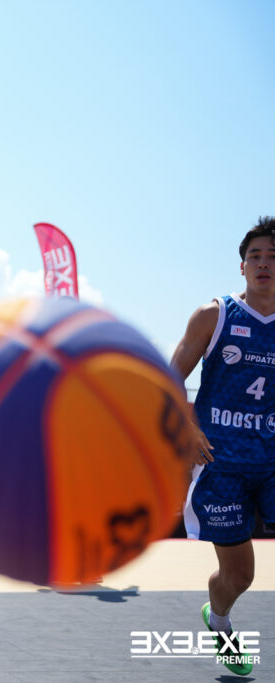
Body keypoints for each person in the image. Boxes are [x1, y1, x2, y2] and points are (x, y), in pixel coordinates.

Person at [172, 216, 275, 677]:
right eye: (255, 256)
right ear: (242, 266)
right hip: (222, 465)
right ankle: (219, 619)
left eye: (273, 256)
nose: (264, 263)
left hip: (272, 462)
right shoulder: (214, 316)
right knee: (240, 576)